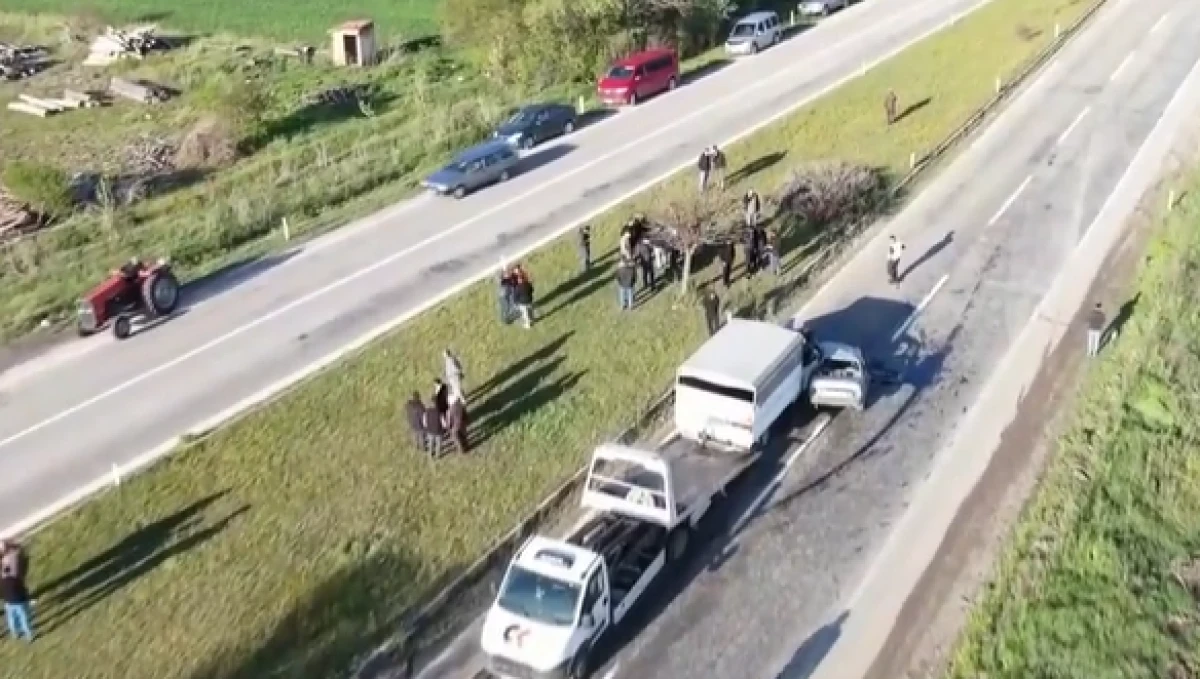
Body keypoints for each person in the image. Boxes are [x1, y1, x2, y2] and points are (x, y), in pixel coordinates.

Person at [1, 561, 33, 642]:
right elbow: (23, 590)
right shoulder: (15, 580)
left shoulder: (1, 582)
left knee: (11, 619)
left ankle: (15, 634)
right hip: (18, 602)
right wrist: (27, 599)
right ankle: (28, 635)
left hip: (8, 603)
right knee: (23, 618)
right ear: (10, 571)